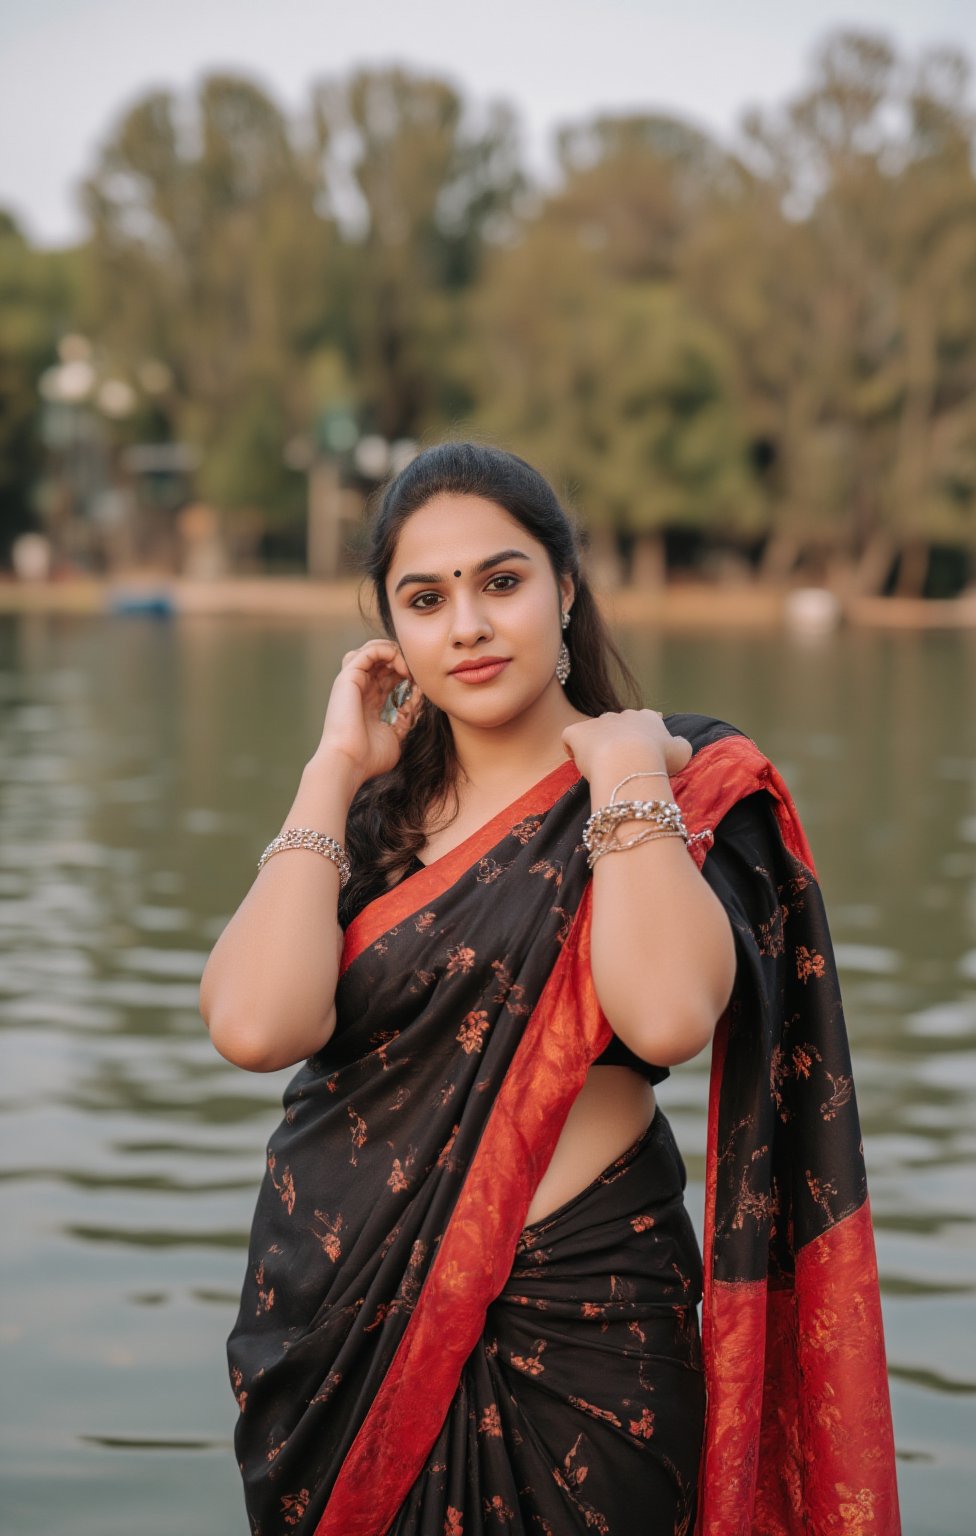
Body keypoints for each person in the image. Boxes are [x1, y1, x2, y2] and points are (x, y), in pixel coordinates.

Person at [200, 441, 900, 1536]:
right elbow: (253, 1026)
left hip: (590, 1324)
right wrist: (330, 771)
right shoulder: (368, 830)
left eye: (500, 581)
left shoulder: (685, 787)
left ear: (564, 589)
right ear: (391, 631)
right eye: (425, 600)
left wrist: (620, 774)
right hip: (344, 1335)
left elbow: (664, 1011)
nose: (467, 626)